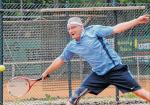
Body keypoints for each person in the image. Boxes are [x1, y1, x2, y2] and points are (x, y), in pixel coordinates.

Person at [41, 15, 150, 105]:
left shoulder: (94, 31)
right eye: (69, 28)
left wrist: (136, 21)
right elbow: (60, 59)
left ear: (81, 27)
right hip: (98, 74)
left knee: (140, 93)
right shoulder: (72, 46)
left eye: (73, 27)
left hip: (115, 70)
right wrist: (46, 72)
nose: (71, 30)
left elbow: (116, 29)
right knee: (75, 96)